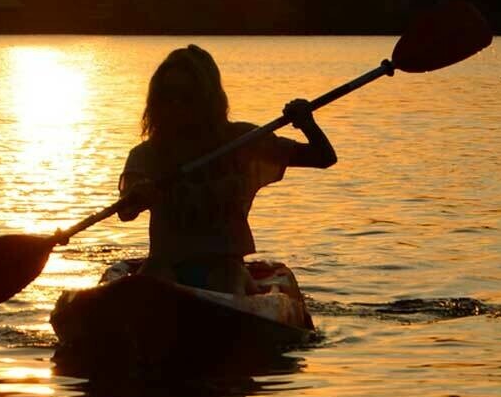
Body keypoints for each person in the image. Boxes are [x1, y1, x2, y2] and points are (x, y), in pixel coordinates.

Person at [115, 45, 336, 294]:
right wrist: (137, 195)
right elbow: (125, 211)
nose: (176, 104)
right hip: (165, 265)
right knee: (154, 277)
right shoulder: (146, 155)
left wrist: (306, 123)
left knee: (226, 278)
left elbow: (323, 157)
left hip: (225, 267)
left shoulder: (244, 141)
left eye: (187, 96)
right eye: (168, 95)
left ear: (207, 98)